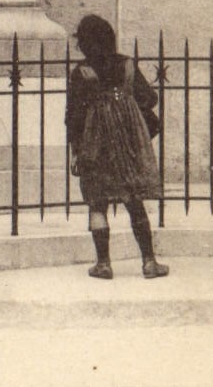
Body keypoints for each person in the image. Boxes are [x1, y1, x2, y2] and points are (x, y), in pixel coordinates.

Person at [65, 14, 169, 280]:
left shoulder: (81, 72)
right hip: (127, 143)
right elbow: (150, 97)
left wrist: (75, 150)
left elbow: (73, 116)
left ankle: (103, 264)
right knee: (134, 200)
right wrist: (126, 108)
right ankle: (149, 262)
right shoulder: (127, 65)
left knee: (97, 201)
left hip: (94, 144)